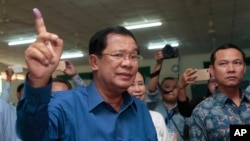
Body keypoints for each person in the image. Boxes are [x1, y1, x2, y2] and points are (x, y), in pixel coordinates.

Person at [16, 8, 157, 141]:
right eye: (118, 55)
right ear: (94, 62)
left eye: (133, 56)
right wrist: (38, 80)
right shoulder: (64, 105)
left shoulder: (140, 109)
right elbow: (32, 135)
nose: (128, 63)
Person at [190, 43, 250, 140]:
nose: (231, 69)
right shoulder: (202, 112)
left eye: (237, 63)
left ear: (244, 68)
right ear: (212, 70)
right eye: (223, 63)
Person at [146, 50, 189, 141]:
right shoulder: (154, 105)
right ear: (161, 91)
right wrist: (158, 64)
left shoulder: (184, 109)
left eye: (174, 87)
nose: (171, 90)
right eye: (167, 87)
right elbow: (151, 89)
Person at [127, 71, 172, 141]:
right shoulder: (118, 119)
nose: (137, 89)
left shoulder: (157, 118)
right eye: (131, 85)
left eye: (140, 84)